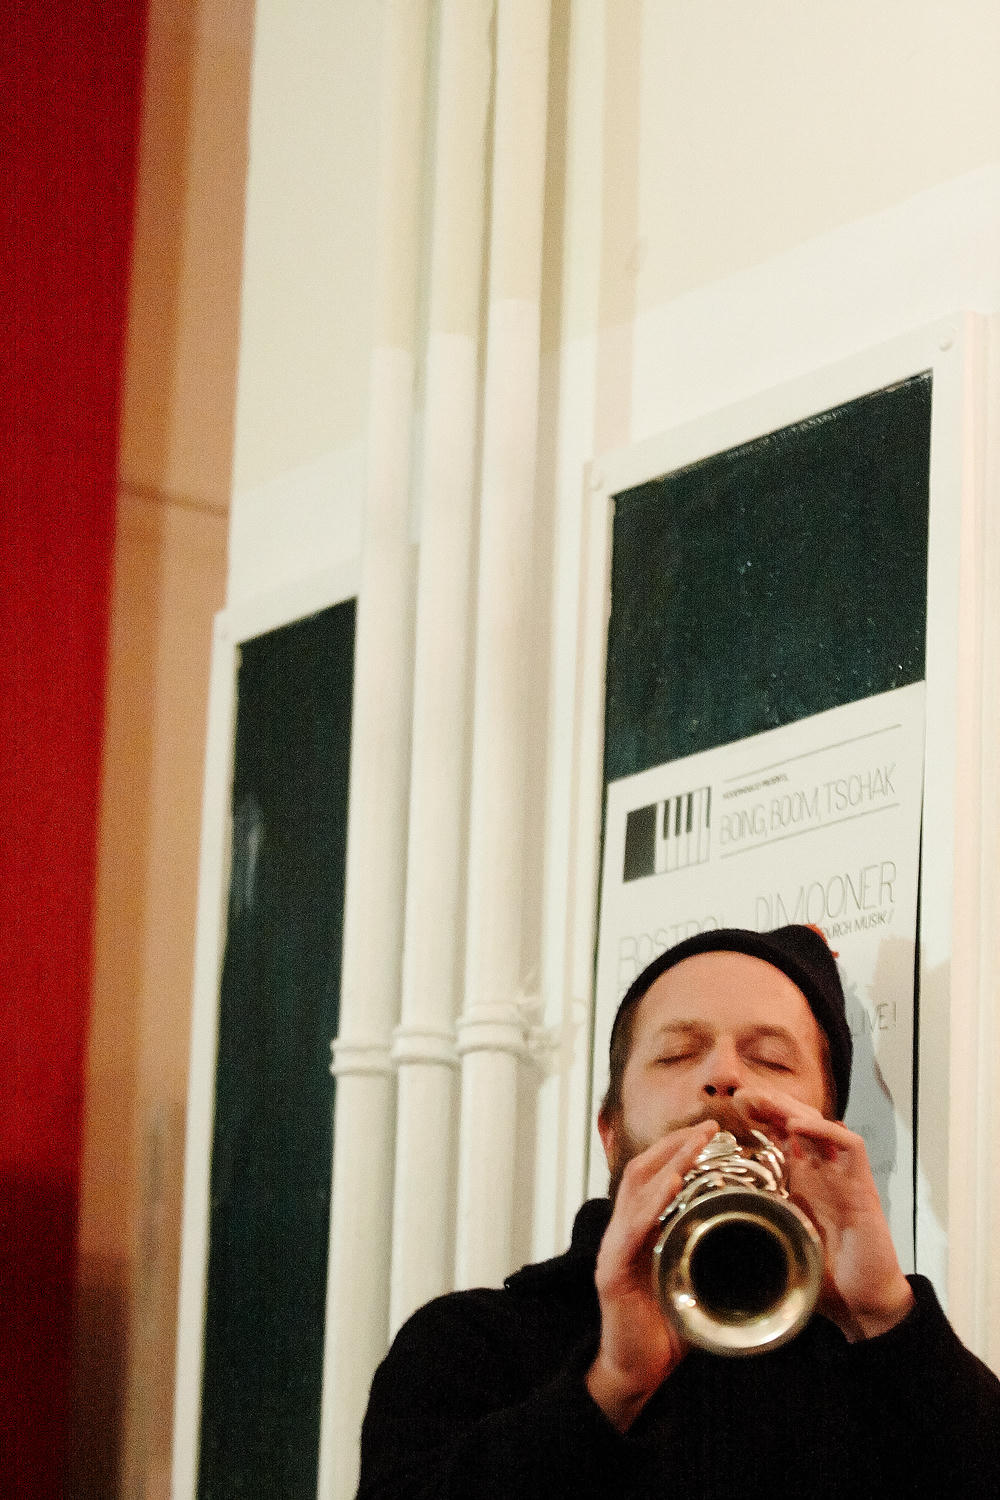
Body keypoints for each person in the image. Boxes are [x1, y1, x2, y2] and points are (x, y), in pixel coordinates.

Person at [357, 925, 1000, 1498]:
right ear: (611, 1134)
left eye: (771, 1059)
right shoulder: (469, 1344)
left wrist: (887, 1318)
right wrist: (611, 1387)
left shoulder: (881, 1367)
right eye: (676, 1054)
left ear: (825, 1133)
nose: (723, 1075)